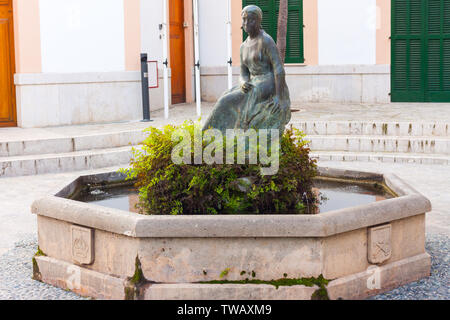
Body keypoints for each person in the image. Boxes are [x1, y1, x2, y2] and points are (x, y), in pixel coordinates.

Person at [203, 5, 291, 134]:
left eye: (251, 20)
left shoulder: (266, 40)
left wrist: (279, 96)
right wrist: (243, 82)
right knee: (225, 96)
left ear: (259, 21)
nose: (246, 23)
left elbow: (278, 69)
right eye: (244, 19)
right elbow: (243, 73)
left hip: (268, 81)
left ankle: (211, 135)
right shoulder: (243, 46)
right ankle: (212, 135)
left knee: (227, 100)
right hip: (253, 82)